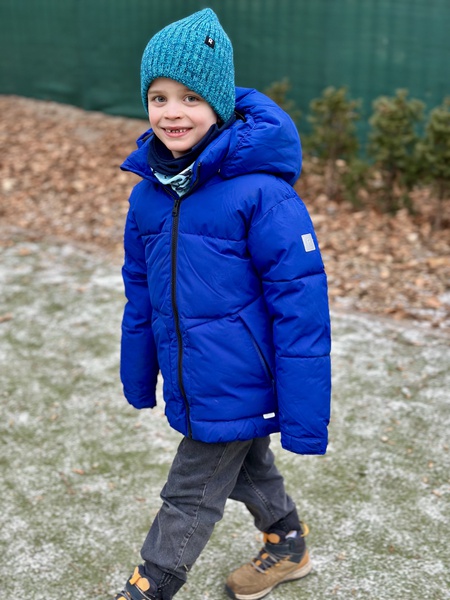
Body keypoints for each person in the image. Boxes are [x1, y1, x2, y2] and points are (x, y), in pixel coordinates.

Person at [115, 8, 331, 600]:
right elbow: (141, 293)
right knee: (245, 464)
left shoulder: (262, 194)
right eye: (158, 98)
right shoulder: (149, 197)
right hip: (194, 375)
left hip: (240, 374)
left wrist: (305, 412)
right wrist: (140, 373)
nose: (172, 112)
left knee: (191, 490)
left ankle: (151, 584)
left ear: (219, 105)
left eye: (190, 97)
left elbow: (301, 306)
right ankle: (288, 543)